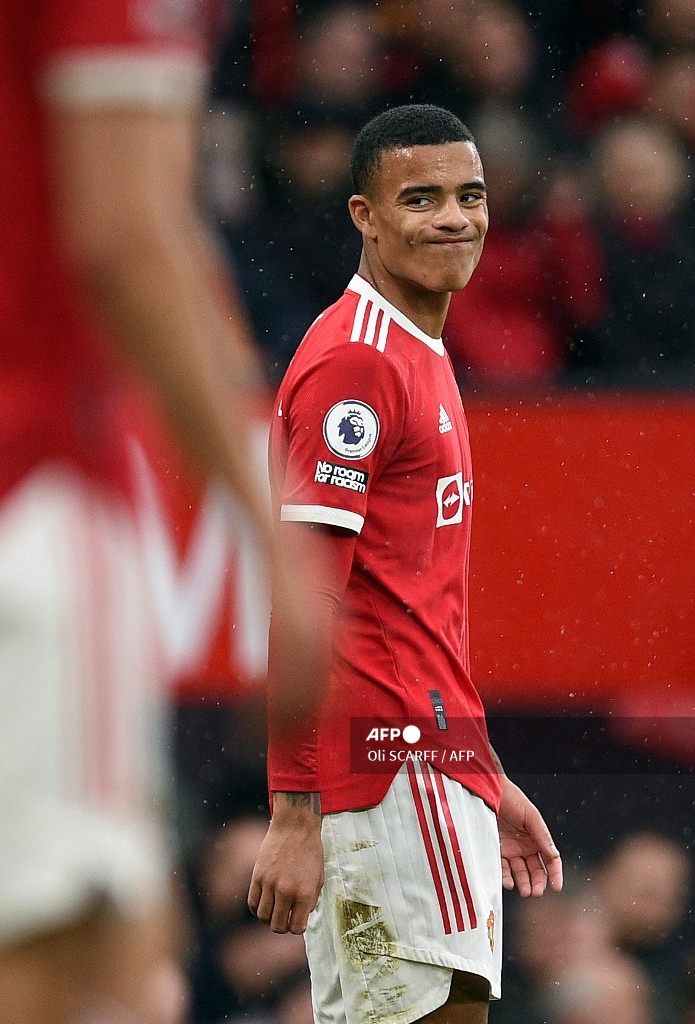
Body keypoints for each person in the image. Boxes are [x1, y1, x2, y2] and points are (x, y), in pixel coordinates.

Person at [0, 1, 323, 1022]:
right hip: (17, 484)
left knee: (71, 953)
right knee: (56, 975)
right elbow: (126, 236)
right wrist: (271, 533)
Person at [248, 105, 562, 1024]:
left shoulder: (416, 347)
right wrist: (293, 812)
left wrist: (478, 771)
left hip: (424, 765)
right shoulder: (358, 363)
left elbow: (408, 614)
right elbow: (305, 596)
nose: (454, 218)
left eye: (470, 195)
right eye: (420, 199)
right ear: (365, 215)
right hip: (386, 779)